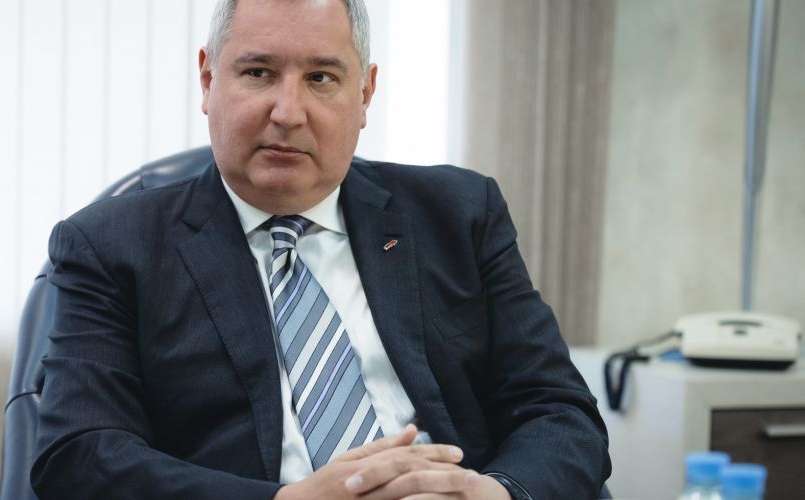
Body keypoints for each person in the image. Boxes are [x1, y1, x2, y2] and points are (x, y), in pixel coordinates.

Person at [31, 0, 611, 498]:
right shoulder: (113, 246)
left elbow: (559, 410)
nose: (288, 112)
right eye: (259, 72)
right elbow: (79, 453)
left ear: (365, 93)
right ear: (208, 81)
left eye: (321, 78)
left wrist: (494, 492)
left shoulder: (458, 214)